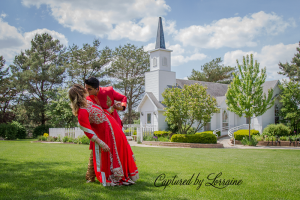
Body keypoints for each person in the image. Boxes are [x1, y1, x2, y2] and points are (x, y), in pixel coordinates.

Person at [69, 84, 138, 186]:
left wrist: (113, 108)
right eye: (84, 89)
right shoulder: (82, 111)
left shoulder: (88, 103)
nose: (86, 90)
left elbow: (103, 113)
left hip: (115, 132)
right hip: (107, 136)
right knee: (113, 157)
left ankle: (124, 175)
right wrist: (101, 143)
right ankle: (114, 177)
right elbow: (88, 131)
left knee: (121, 154)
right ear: (79, 93)